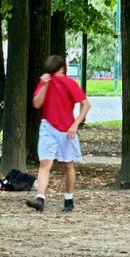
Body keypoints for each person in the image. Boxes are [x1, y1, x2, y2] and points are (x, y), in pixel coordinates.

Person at [27, 55, 91, 213]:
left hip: (67, 130)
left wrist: (75, 124)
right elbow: (37, 104)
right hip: (48, 126)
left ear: (62, 69)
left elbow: (86, 104)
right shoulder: (45, 82)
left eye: (55, 72)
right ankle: (40, 198)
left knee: (68, 165)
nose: (54, 75)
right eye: (51, 72)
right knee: (44, 163)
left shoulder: (70, 83)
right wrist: (44, 85)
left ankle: (69, 199)